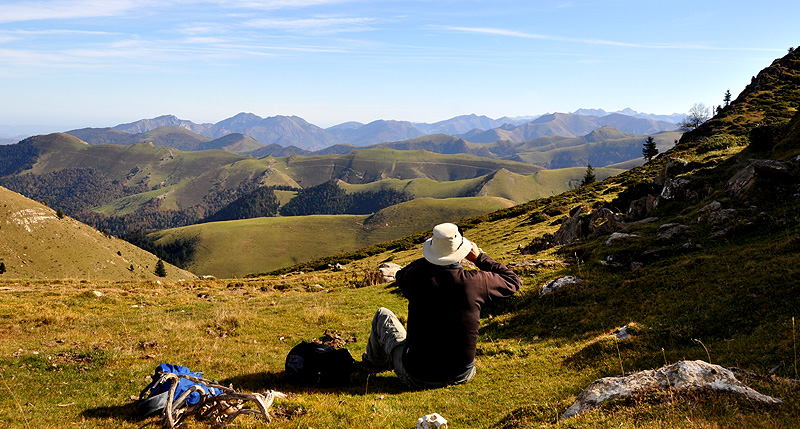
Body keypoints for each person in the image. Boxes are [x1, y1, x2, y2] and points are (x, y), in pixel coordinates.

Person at [363, 222, 522, 389]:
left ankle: (373, 364)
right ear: (463, 250)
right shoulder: (475, 283)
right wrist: (479, 258)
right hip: (462, 374)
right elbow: (513, 281)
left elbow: (400, 275)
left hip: (417, 376)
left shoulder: (416, 278)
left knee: (383, 315)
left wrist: (432, 256)